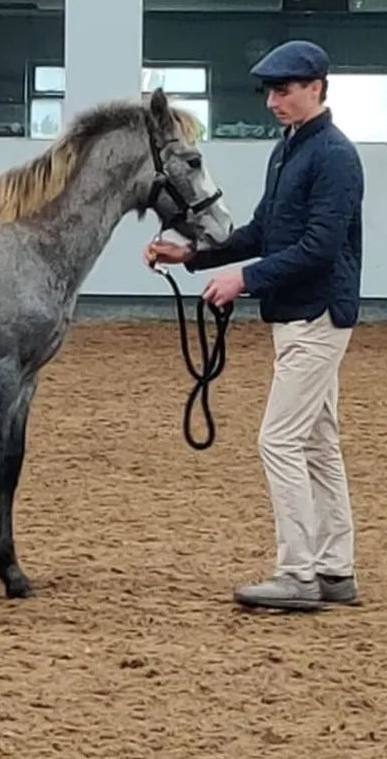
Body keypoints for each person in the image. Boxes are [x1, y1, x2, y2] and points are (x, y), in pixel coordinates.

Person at [145, 39, 365, 613]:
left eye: (285, 90)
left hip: (316, 312)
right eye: (270, 91)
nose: (274, 101)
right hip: (299, 312)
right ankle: (335, 571)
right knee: (317, 444)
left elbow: (320, 246)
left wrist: (244, 281)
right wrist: (190, 257)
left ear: (316, 87)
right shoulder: (289, 151)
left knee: (279, 440)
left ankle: (298, 573)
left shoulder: (335, 157)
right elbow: (263, 231)